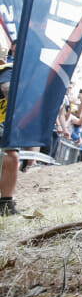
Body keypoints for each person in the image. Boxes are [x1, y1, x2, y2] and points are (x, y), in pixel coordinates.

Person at [0, 59, 20, 216]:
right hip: (4, 123)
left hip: (6, 124)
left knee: (11, 156)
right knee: (11, 156)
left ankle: (6, 204)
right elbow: (7, 88)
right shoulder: (9, 69)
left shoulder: (9, 69)